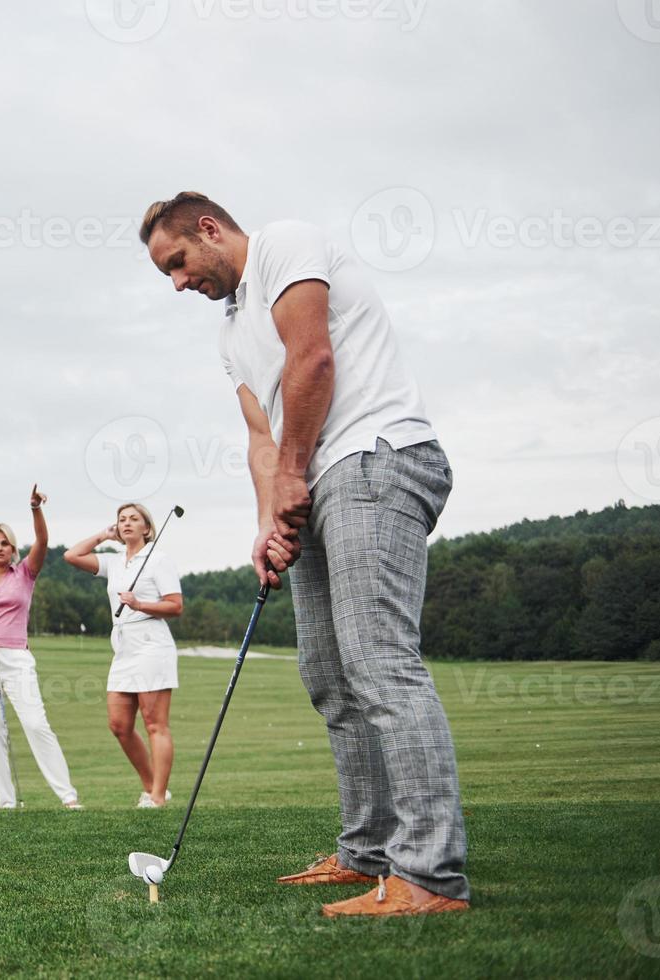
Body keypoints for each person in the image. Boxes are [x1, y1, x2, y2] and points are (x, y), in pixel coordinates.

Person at [139, 191, 468, 916]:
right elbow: (262, 435)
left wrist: (293, 474)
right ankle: (368, 852)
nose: (177, 283)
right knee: (327, 672)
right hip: (318, 481)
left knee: (379, 663)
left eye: (178, 262)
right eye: (166, 274)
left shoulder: (286, 244)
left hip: (376, 457)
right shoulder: (229, 334)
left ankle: (430, 876)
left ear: (208, 228)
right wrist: (268, 520)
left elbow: (311, 360)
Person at [0, 484, 80, 810]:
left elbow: (42, 542)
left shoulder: (25, 573)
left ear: (13, 548)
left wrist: (34, 509)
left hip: (17, 657)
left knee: (36, 724)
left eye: (5, 543)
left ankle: (68, 797)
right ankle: (7, 803)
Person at [64, 502, 183, 808]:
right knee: (118, 724)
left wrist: (140, 604)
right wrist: (103, 535)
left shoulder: (158, 560)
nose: (127, 523)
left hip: (152, 644)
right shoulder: (114, 562)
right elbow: (72, 556)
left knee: (154, 723)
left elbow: (175, 606)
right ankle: (151, 786)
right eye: (121, 519)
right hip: (124, 648)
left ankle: (157, 796)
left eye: (134, 519)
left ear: (147, 528)